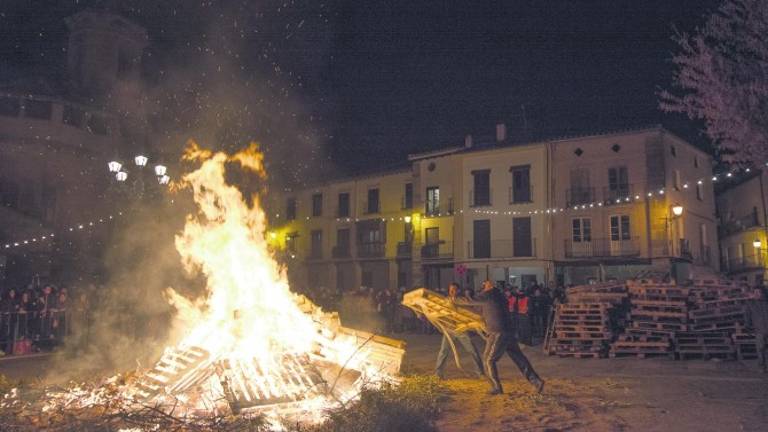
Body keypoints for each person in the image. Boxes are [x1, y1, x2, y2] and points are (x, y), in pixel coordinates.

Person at [455, 279, 544, 395]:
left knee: (488, 360)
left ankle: (496, 387)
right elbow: (482, 309)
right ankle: (536, 381)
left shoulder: (488, 294)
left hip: (498, 332)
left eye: (484, 284)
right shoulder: (499, 296)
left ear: (489, 285)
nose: (483, 286)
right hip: (508, 331)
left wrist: (454, 299)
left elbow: (470, 300)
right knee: (518, 357)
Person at [434, 282, 484, 379]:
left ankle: (480, 372)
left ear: (458, 291)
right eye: (450, 289)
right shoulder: (445, 301)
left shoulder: (461, 300)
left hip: (461, 329)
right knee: (443, 351)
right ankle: (438, 374)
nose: (452, 291)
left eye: (454, 289)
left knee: (472, 350)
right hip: (449, 330)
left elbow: (470, 307)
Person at [745, 286, 768, 372]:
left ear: (762, 293)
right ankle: (762, 367)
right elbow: (747, 316)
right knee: (760, 349)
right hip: (759, 330)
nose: (757, 294)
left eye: (758, 292)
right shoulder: (750, 304)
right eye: (755, 292)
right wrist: (748, 327)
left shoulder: (766, 302)